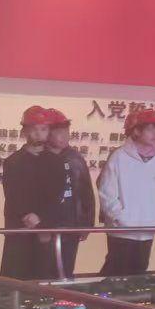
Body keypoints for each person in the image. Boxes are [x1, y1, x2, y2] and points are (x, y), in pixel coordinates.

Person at [98, 106, 155, 277]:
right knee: (115, 274)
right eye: (150, 129)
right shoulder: (119, 157)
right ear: (136, 131)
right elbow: (107, 192)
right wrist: (120, 217)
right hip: (122, 230)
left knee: (139, 275)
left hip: (147, 229)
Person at [1, 107, 63, 279]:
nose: (38, 134)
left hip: (45, 227)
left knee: (42, 277)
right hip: (18, 227)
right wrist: (26, 215)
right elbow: (12, 194)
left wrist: (41, 218)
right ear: (25, 131)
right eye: (34, 129)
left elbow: (56, 195)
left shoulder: (56, 162)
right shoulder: (13, 161)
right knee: (15, 276)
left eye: (43, 129)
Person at [45, 110, 94, 277]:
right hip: (47, 225)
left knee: (66, 269)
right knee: (45, 270)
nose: (65, 135)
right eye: (59, 131)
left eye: (66, 131)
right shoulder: (40, 157)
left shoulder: (75, 158)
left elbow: (86, 192)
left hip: (71, 224)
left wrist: (87, 223)